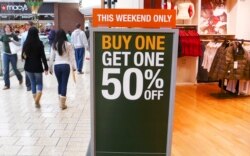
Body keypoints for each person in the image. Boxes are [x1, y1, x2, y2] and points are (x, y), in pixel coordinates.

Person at [49, 29, 76, 109]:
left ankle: (60, 102)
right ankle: (62, 104)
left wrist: (50, 68)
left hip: (57, 66)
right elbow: (72, 57)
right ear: (64, 35)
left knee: (59, 83)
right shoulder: (68, 44)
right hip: (65, 66)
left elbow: (51, 57)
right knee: (64, 83)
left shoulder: (54, 45)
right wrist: (74, 67)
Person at [22, 27, 48, 108]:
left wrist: (26, 58)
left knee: (32, 82)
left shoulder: (26, 43)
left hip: (28, 67)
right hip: (37, 66)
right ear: (37, 33)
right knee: (39, 83)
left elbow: (23, 56)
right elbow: (43, 57)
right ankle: (38, 97)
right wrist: (46, 68)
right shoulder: (40, 43)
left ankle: (36, 100)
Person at [0, 24, 23, 90]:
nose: (7, 28)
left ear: (10, 28)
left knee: (14, 68)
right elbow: (1, 44)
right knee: (6, 70)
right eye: (6, 27)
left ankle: (20, 78)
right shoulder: (3, 36)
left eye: (8, 27)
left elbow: (19, 44)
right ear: (4, 29)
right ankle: (7, 85)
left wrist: (12, 40)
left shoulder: (14, 35)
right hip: (5, 54)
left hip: (13, 55)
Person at [21, 20, 34, 91]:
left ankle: (34, 83)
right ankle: (28, 85)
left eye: (28, 25)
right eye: (26, 25)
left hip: (34, 54)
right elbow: (22, 45)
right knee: (27, 69)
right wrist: (22, 55)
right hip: (27, 54)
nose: (27, 26)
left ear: (31, 26)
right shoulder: (23, 34)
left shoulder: (35, 33)